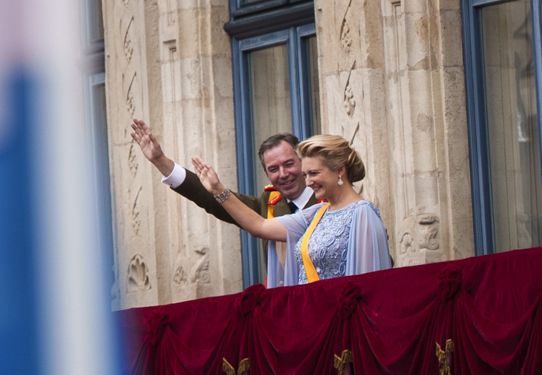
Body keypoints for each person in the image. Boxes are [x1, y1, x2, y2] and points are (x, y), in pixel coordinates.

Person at [191, 134, 390, 287]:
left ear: (340, 170)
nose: (308, 182)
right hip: (313, 317)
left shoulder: (362, 213)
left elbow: (369, 285)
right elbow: (260, 226)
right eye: (306, 174)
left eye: (314, 173)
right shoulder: (317, 213)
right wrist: (218, 190)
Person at [129, 119, 315, 269]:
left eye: (289, 164)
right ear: (266, 174)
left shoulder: (326, 200)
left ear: (303, 163)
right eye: (273, 169)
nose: (283, 174)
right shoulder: (269, 202)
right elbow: (215, 199)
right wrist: (160, 160)